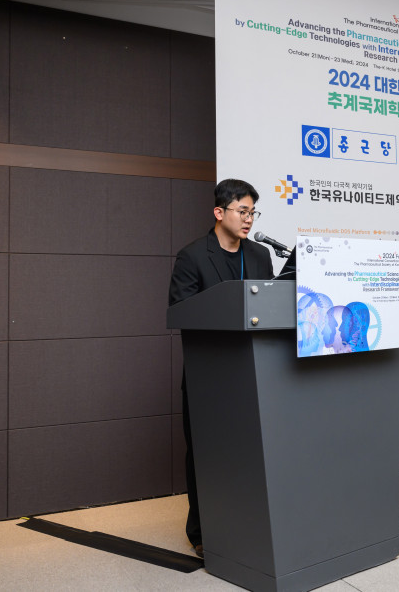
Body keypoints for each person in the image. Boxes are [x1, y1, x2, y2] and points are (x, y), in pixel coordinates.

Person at [168, 178, 275, 556]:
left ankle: (248, 523)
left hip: (255, 374)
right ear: (219, 212)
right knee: (206, 454)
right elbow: (180, 312)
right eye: (242, 211)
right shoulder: (192, 256)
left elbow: (271, 308)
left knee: (252, 453)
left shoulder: (260, 255)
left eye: (252, 212)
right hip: (209, 377)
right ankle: (201, 532)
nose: (248, 219)